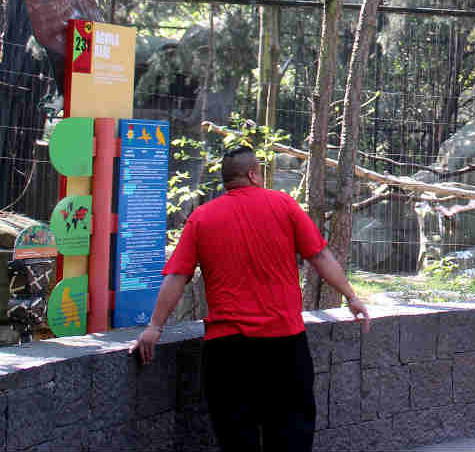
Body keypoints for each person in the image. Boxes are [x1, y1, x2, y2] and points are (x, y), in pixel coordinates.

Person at [130, 146, 371, 452]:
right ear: (253, 173)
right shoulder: (283, 205)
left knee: (235, 438)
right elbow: (320, 255)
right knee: (291, 435)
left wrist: (154, 327)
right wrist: (351, 296)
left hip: (227, 351)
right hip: (284, 346)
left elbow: (176, 276)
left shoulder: (202, 217)